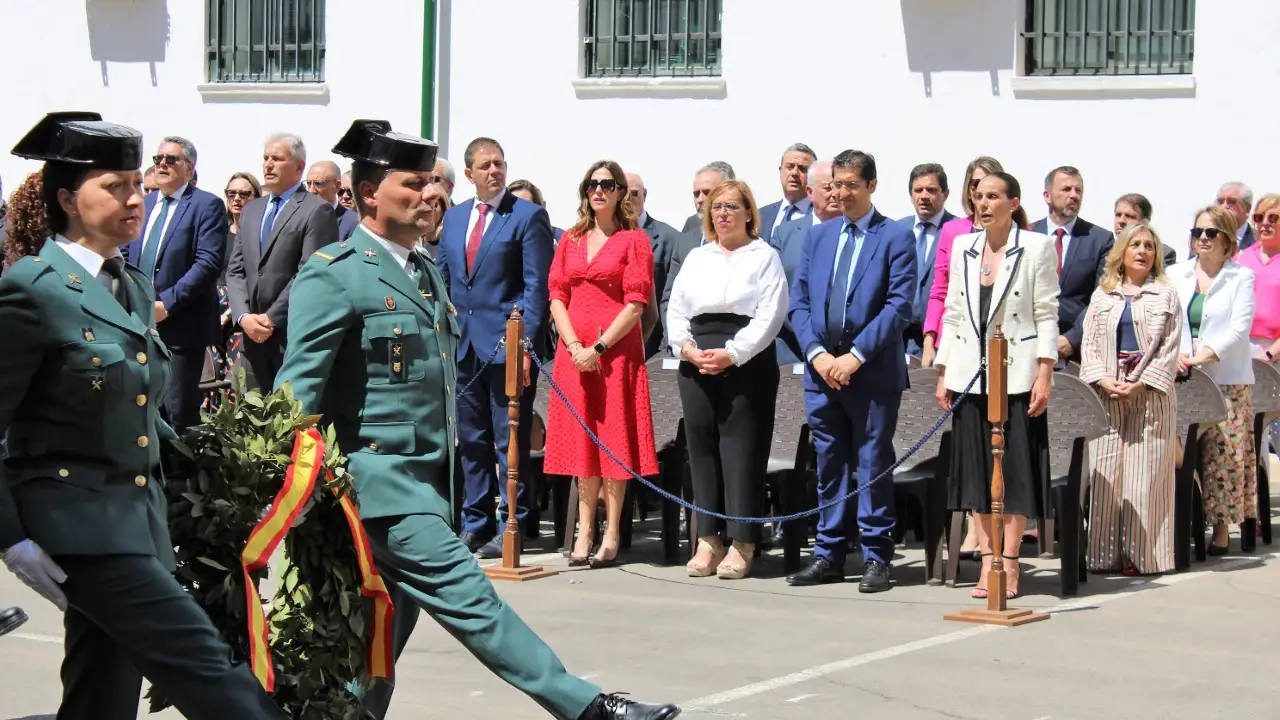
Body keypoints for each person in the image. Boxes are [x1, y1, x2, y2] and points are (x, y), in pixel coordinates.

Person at [274, 120, 678, 720]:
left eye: (433, 182)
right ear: (367, 196)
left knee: (375, 653)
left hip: (431, 489)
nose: (430, 194)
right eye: (413, 184)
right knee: (476, 604)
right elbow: (294, 396)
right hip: (378, 493)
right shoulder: (336, 272)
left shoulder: (423, 271)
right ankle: (587, 708)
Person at [0, 111, 284, 719]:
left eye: (138, 183)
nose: (138, 197)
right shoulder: (32, 289)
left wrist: (227, 477)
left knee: (102, 692)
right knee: (205, 668)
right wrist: (12, 537)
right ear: (68, 200)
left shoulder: (129, 283)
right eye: (117, 186)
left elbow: (141, 415)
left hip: (138, 525)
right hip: (78, 527)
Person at [785, 150, 915, 592]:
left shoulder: (896, 236)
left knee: (873, 461)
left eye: (851, 185)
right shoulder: (819, 238)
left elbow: (899, 307)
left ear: (872, 186)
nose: (841, 193)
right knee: (829, 464)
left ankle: (877, 555)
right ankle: (829, 553)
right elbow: (798, 303)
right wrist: (818, 354)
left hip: (872, 374)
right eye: (836, 185)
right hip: (822, 374)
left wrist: (855, 356)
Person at [934, 172, 1058, 600]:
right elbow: (952, 312)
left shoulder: (1037, 246)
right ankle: (987, 562)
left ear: (1013, 202)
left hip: (1018, 373)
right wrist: (945, 370)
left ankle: (1010, 562)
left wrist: (1045, 371)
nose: (983, 205)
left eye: (992, 197)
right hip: (972, 373)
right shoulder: (964, 246)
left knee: (1015, 471)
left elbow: (1046, 312)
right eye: (978, 197)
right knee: (976, 473)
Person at [437, 138, 553, 558]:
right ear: (468, 174)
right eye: (485, 165)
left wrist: (524, 344)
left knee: (510, 441)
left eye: (499, 164)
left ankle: (513, 524)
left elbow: (535, 287)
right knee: (471, 440)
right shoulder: (454, 219)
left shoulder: (526, 217)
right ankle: (476, 522)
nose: (495, 171)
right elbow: (445, 280)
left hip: (507, 347)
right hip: (464, 346)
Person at [667, 179, 787, 579]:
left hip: (746, 361)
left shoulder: (763, 256)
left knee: (741, 453)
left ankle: (742, 542)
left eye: (731, 206)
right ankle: (708, 539)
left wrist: (734, 353)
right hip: (697, 359)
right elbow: (677, 308)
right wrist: (685, 347)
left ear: (749, 212)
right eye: (716, 207)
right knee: (702, 451)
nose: (722, 214)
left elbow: (771, 314)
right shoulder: (698, 258)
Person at [545, 161, 658, 567]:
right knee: (581, 439)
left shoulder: (634, 241)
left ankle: (611, 532)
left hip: (615, 356)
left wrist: (599, 348)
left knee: (612, 440)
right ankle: (584, 529)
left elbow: (636, 304)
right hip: (573, 354)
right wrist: (574, 344)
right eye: (593, 184)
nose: (599, 190)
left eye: (608, 184)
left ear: (619, 193)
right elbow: (556, 294)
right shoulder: (570, 239)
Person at [1079, 224, 1182, 575]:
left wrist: (1141, 383)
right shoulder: (1102, 295)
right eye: (1135, 244)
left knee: (1143, 480)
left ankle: (1143, 558)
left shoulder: (1166, 294)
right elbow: (1089, 343)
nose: (1143, 251)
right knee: (1105, 476)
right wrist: (1102, 378)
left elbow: (1169, 349)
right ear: (1121, 251)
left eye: (1149, 246)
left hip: (1149, 397)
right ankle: (1104, 556)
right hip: (1107, 395)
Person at [1168, 205, 1257, 555]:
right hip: (1183, 376)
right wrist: (1176, 355)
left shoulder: (1241, 277)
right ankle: (1181, 521)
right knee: (1181, 453)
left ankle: (1221, 529)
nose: (1202, 239)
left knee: (1224, 457)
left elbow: (1239, 329)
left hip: (1226, 379)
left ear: (1226, 241)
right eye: (1197, 232)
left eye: (1210, 233)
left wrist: (1202, 356)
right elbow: (1167, 320)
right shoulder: (1176, 275)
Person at [124, 135, 228, 429]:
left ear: (190, 168)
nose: (163, 164)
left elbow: (207, 264)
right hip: (137, 322)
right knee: (139, 407)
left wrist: (166, 304)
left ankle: (179, 475)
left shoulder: (206, 205)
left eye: (172, 159)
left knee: (177, 412)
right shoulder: (143, 204)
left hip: (181, 328)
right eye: (158, 159)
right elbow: (122, 252)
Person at [225, 132, 338, 391]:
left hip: (290, 337)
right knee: (251, 421)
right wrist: (243, 317)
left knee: (288, 422)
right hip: (251, 339)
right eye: (265, 158)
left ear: (299, 167)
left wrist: (271, 318)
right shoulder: (252, 210)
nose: (268, 164)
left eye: (277, 159)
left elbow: (310, 272)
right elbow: (235, 270)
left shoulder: (316, 210)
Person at [1029, 166, 1114, 363]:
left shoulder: (1099, 240)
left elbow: (1103, 295)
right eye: (1066, 189)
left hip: (1075, 350)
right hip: (1029, 344)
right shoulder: (1027, 234)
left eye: (1078, 190)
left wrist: (1073, 337)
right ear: (1047, 196)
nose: (1074, 195)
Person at [897, 163, 956, 356]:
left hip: (940, 338)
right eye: (918, 190)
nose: (924, 196)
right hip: (899, 338)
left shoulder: (958, 231)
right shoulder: (897, 230)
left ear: (945, 194)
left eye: (931, 190)